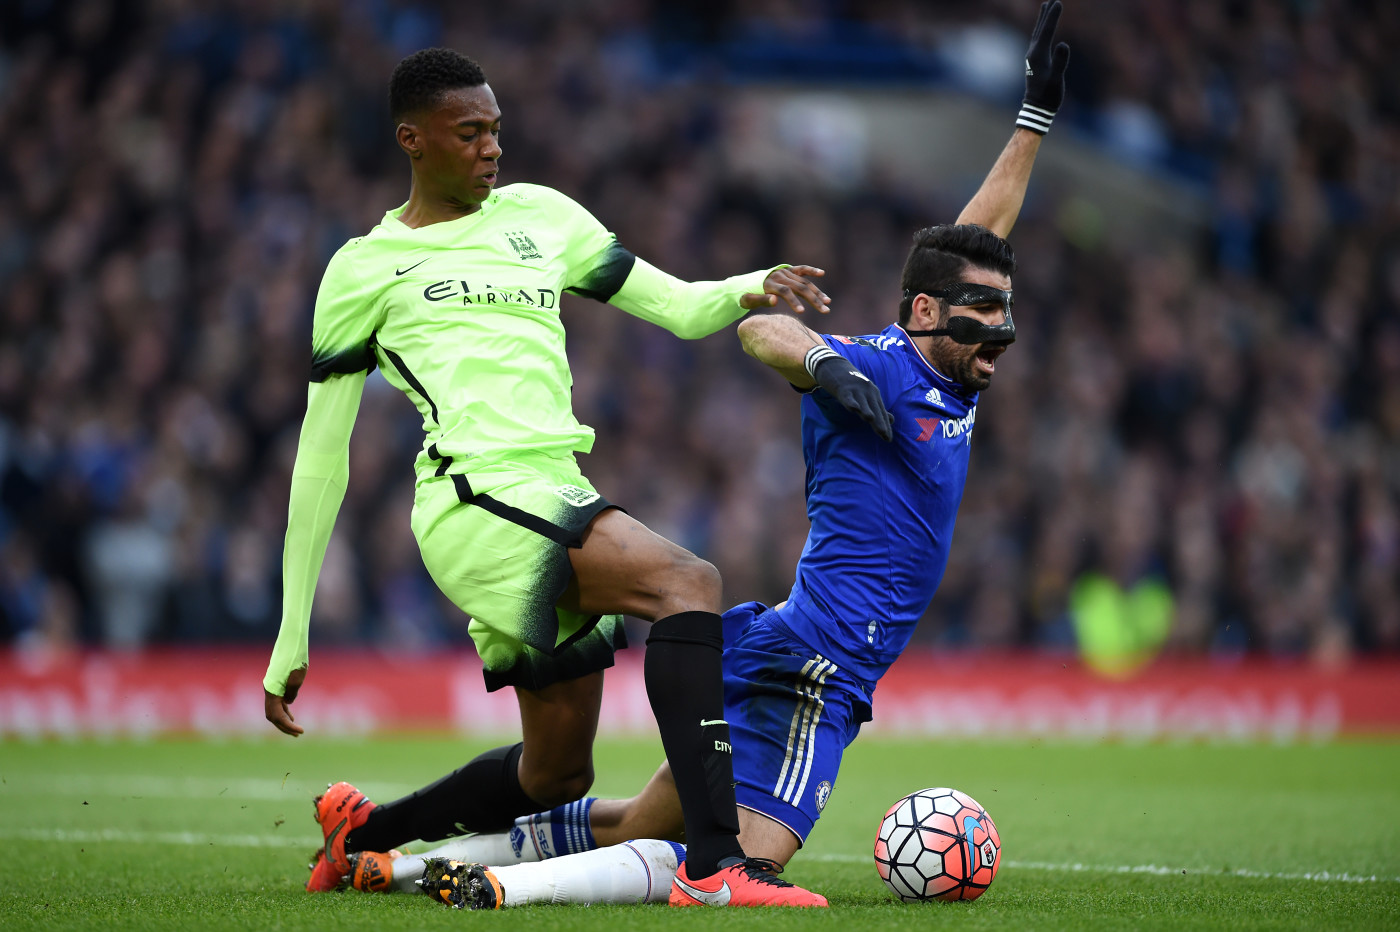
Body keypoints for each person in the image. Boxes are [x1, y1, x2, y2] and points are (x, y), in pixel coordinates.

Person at [334, 0, 1072, 910]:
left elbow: (979, 242)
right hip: (822, 666)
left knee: (627, 815)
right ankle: (502, 889)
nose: (1000, 333)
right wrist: (824, 365)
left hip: (785, 637)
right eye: (984, 318)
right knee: (726, 861)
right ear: (926, 313)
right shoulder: (879, 364)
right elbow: (767, 331)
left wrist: (1033, 119)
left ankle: (394, 858)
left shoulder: (950, 377)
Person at [264, 45, 838, 908]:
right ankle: (718, 868)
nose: (493, 149)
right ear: (412, 140)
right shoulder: (362, 268)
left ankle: (365, 834)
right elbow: (320, 456)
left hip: (553, 489)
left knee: (557, 774)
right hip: (475, 501)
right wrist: (291, 631)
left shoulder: (540, 216)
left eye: (497, 131)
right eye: (471, 133)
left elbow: (678, 306)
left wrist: (749, 286)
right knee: (689, 582)